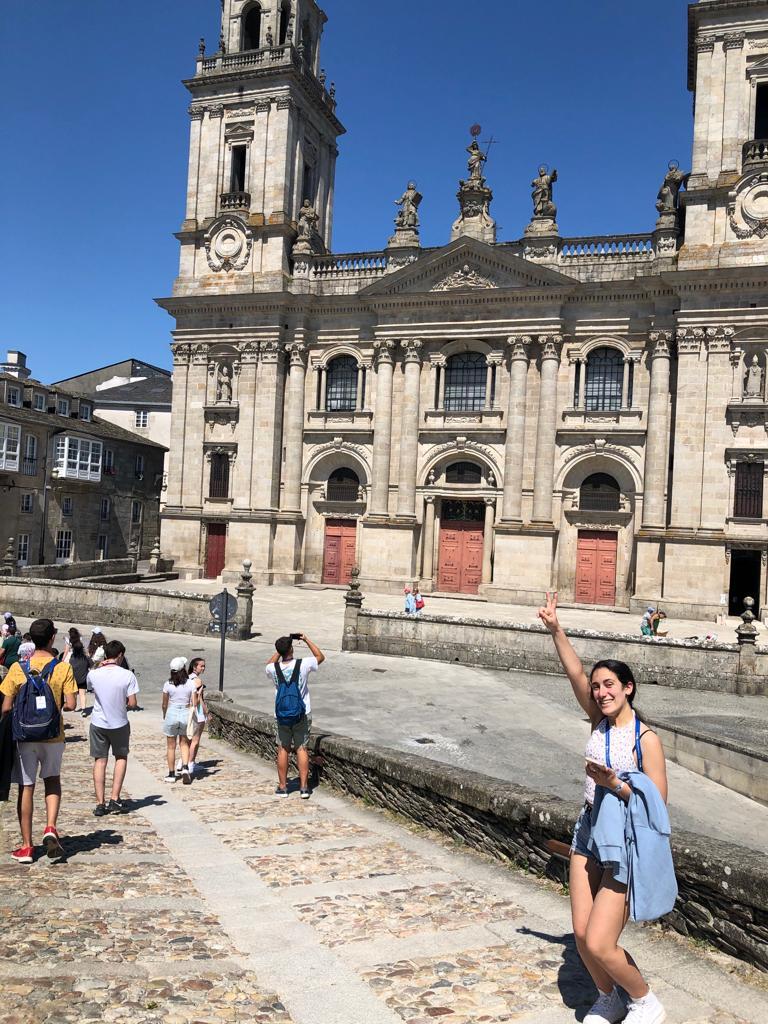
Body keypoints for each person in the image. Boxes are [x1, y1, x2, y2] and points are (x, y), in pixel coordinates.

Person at [538, 592, 670, 1024]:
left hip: (625, 842)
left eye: (609, 684)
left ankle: (646, 1000)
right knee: (580, 934)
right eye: (597, 687)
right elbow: (573, 671)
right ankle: (608, 998)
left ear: (628, 687)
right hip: (587, 831)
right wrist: (556, 628)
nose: (600, 691)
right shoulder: (597, 719)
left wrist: (616, 783)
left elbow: (658, 805)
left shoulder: (644, 739)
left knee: (599, 941)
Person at [0, 618, 77, 863]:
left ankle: (26, 847)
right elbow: (73, 704)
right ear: (53, 637)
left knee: (26, 787)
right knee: (52, 781)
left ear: (31, 639)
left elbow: (5, 707)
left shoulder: (17, 669)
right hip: (54, 736)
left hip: (25, 737)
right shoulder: (63, 668)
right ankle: (51, 827)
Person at [266, 633, 325, 798]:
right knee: (302, 748)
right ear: (292, 649)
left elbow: (269, 663)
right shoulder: (304, 664)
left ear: (279, 651)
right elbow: (320, 656)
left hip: (282, 714)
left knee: (283, 748)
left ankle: (283, 787)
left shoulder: (273, 668)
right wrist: (305, 639)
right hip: (302, 712)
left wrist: (280, 649)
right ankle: (304, 788)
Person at [87, 640, 139, 816]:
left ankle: (100, 803)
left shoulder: (94, 674)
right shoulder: (127, 676)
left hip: (98, 722)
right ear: (120, 655)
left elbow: (92, 690)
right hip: (119, 723)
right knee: (120, 758)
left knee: (100, 761)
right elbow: (132, 703)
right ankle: (114, 798)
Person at [161, 657, 198, 785]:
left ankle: (171, 774)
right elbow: (194, 702)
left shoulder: (168, 684)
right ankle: (186, 768)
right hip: (185, 714)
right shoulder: (190, 683)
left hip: (172, 712)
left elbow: (164, 704)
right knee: (184, 743)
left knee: (171, 746)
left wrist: (165, 715)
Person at [187, 657, 208, 775]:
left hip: (189, 710)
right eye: (201, 666)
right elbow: (199, 699)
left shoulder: (186, 678)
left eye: (204, 666)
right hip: (198, 712)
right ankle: (191, 763)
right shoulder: (197, 681)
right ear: (195, 667)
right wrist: (207, 712)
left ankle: (184, 762)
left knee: (188, 739)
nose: (203, 668)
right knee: (195, 739)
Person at [64, 628, 91, 717]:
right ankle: (83, 710)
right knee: (82, 694)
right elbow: (92, 664)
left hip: (74, 678)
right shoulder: (85, 657)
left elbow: (68, 666)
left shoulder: (71, 658)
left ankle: (74, 707)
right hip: (83, 679)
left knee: (74, 693)